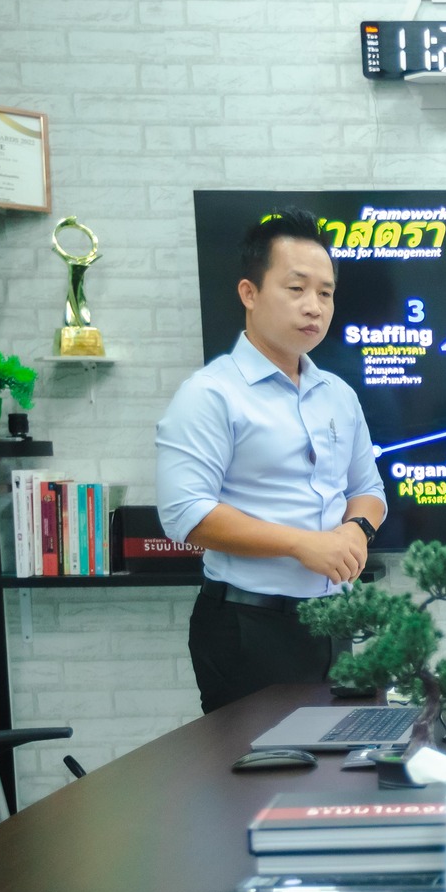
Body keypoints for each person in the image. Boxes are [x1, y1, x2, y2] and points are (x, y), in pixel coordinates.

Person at [156, 209, 386, 714]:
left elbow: (369, 490)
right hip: (248, 627)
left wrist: (355, 532)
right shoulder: (211, 395)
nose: (314, 307)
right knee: (260, 784)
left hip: (333, 623)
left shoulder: (339, 395)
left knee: (332, 778)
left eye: (325, 293)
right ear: (249, 293)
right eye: (297, 288)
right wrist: (303, 545)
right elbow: (185, 514)